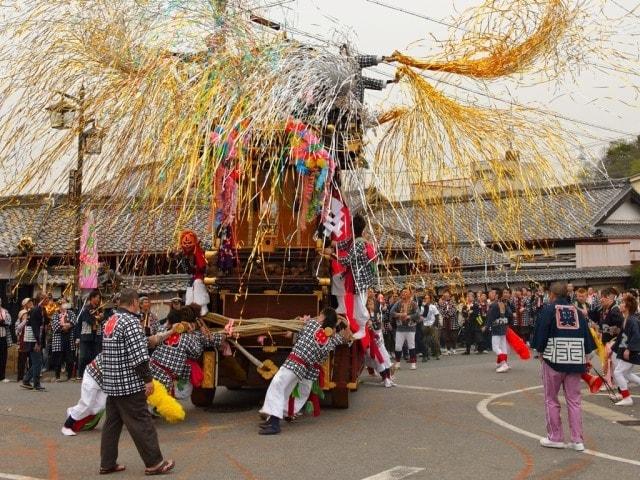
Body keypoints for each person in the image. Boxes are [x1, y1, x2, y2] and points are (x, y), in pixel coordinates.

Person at [99, 289, 175, 476]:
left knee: (112, 424)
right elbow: (139, 357)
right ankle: (154, 463)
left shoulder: (111, 320)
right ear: (134, 302)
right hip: (128, 383)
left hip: (112, 381)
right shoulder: (131, 322)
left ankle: (107, 463)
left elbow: (133, 345)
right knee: (142, 422)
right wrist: (148, 380)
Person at [61, 326, 181, 436]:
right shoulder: (119, 344)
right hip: (93, 374)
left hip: (105, 381)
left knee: (98, 406)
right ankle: (67, 425)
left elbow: (155, 339)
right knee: (87, 404)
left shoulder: (136, 344)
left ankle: (72, 413)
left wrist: (172, 331)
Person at [259, 308, 349, 435]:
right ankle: (273, 419)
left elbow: (296, 331)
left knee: (277, 387)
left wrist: (300, 322)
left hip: (293, 363)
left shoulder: (312, 324)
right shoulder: (332, 340)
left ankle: (274, 424)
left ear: (323, 318)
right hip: (303, 368)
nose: (317, 317)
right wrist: (341, 322)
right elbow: (346, 338)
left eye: (319, 315)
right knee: (283, 390)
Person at [532, 282, 596, 452]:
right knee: (574, 401)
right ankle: (577, 440)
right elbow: (586, 336)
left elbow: (541, 332)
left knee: (551, 399)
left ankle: (556, 437)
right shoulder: (577, 311)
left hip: (554, 359)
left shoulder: (548, 310)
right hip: (575, 360)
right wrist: (587, 355)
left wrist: (539, 351)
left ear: (551, 294)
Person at [335, 214, 377, 340]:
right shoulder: (354, 239)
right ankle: (341, 305)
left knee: (359, 303)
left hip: (361, 279)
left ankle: (362, 328)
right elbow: (342, 244)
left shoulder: (359, 244)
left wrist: (332, 255)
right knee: (337, 279)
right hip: (354, 275)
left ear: (353, 227)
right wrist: (332, 244)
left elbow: (348, 260)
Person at [611, 293, 640, 406]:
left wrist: (629, 349)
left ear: (627, 306)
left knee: (618, 372)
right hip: (628, 350)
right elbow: (620, 338)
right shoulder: (627, 319)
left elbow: (637, 336)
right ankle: (625, 396)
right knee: (627, 374)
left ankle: (627, 397)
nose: (620, 304)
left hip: (630, 351)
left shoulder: (632, 320)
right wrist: (612, 349)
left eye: (622, 302)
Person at [21, 294, 49, 391]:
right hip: (33, 339)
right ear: (41, 299)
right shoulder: (36, 310)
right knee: (38, 362)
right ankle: (36, 384)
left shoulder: (41, 310)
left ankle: (26, 379)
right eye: (46, 299)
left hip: (35, 338)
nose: (48, 300)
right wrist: (37, 342)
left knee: (37, 361)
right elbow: (35, 326)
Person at [364, 295, 394, 386]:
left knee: (384, 356)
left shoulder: (377, 312)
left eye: (372, 303)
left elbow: (379, 324)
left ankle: (388, 377)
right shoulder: (365, 313)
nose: (370, 304)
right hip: (369, 339)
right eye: (368, 303)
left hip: (378, 336)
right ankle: (385, 378)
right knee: (377, 358)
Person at [391, 287, 420, 370]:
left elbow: (418, 314)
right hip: (400, 328)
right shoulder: (398, 303)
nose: (404, 294)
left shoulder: (414, 303)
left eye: (406, 292)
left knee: (411, 345)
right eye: (403, 292)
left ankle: (413, 363)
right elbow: (391, 312)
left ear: (409, 294)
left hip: (410, 328)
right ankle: (397, 363)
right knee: (398, 346)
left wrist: (408, 316)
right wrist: (400, 315)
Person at [76, 290, 102, 379]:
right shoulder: (86, 309)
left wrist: (100, 318)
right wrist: (98, 319)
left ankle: (92, 374)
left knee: (94, 356)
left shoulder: (99, 309)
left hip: (96, 336)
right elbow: (88, 320)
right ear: (92, 298)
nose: (99, 300)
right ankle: (80, 374)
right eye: (97, 298)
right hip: (86, 336)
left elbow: (102, 320)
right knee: (83, 356)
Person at [486, 291, 513, 373]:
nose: (490, 294)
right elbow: (510, 314)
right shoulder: (504, 303)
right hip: (503, 327)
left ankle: (504, 364)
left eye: (492, 293)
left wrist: (486, 326)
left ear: (497, 295)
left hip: (496, 327)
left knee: (495, 347)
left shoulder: (494, 304)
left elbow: (490, 317)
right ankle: (503, 363)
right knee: (503, 346)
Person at [51, 299, 77, 382]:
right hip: (59, 337)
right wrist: (65, 327)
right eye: (62, 303)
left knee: (70, 358)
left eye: (65, 303)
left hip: (69, 337)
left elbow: (73, 322)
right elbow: (54, 325)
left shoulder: (71, 313)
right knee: (58, 358)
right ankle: (57, 376)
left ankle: (70, 376)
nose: (63, 305)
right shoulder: (55, 314)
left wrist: (67, 325)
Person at [420, 292, 441, 360]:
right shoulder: (422, 307)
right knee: (425, 340)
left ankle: (437, 353)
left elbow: (437, 316)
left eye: (427, 298)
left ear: (430, 299)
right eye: (425, 298)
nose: (426, 299)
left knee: (435, 340)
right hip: (425, 324)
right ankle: (426, 354)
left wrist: (434, 325)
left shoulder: (433, 306)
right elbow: (420, 317)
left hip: (432, 324)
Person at [15, 298, 32, 382]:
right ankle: (20, 376)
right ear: (25, 304)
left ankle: (27, 376)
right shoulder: (23, 312)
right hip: (23, 337)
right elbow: (19, 327)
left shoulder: (30, 312)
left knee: (29, 357)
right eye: (29, 302)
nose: (31, 303)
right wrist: (26, 320)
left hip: (29, 336)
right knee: (22, 357)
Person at [438, 290, 458, 355]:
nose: (446, 296)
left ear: (449, 295)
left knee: (453, 336)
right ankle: (448, 349)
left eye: (447, 294)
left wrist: (447, 314)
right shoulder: (442, 303)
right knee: (446, 336)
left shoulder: (453, 302)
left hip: (452, 321)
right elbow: (440, 310)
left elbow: (454, 310)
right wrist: (445, 314)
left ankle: (454, 349)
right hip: (445, 321)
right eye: (444, 295)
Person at [0, 298, 12, 382]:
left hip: (3, 336)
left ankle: (2, 376)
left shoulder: (5, 311)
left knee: (3, 356)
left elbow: (9, 321)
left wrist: (4, 323)